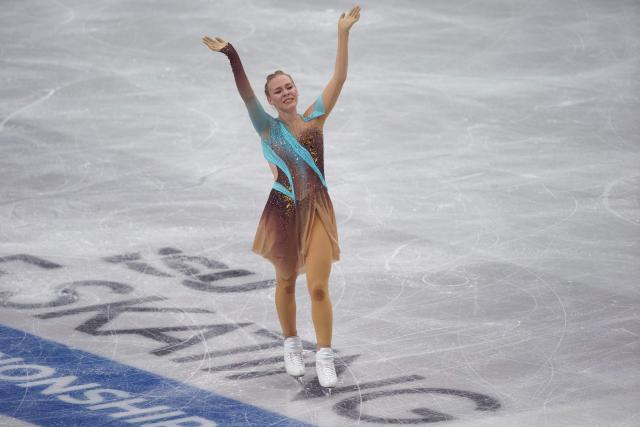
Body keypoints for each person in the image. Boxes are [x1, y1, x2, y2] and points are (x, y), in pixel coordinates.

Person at [202, 5, 360, 388]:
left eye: (289, 86)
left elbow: (339, 77)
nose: (286, 92)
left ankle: (323, 352)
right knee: (286, 283)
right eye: (278, 90)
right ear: (270, 100)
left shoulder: (315, 118)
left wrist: (343, 32)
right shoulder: (266, 127)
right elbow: (244, 94)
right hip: (283, 210)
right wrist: (232, 55)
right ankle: (291, 343)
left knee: (318, 285)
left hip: (319, 209)